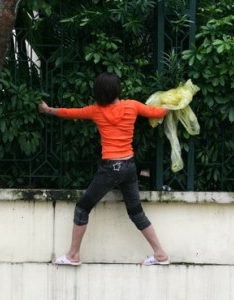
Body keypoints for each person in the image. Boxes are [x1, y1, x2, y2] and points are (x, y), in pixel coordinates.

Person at [38, 72, 170, 266]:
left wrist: (47, 109)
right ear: (118, 89)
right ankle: (160, 254)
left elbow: (69, 112)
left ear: (98, 92)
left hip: (111, 168)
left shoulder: (96, 111)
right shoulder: (132, 106)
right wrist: (177, 102)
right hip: (129, 166)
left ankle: (73, 255)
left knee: (82, 208)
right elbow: (158, 112)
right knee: (136, 212)